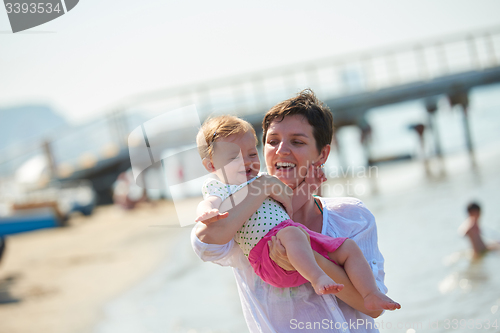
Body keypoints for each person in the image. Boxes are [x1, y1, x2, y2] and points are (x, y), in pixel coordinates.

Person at [191, 89, 392, 332]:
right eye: (272, 141)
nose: (281, 150)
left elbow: (373, 309)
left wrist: (308, 259)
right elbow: (205, 240)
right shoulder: (239, 218)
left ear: (323, 154)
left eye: (297, 141)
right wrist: (262, 186)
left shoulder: (352, 217)